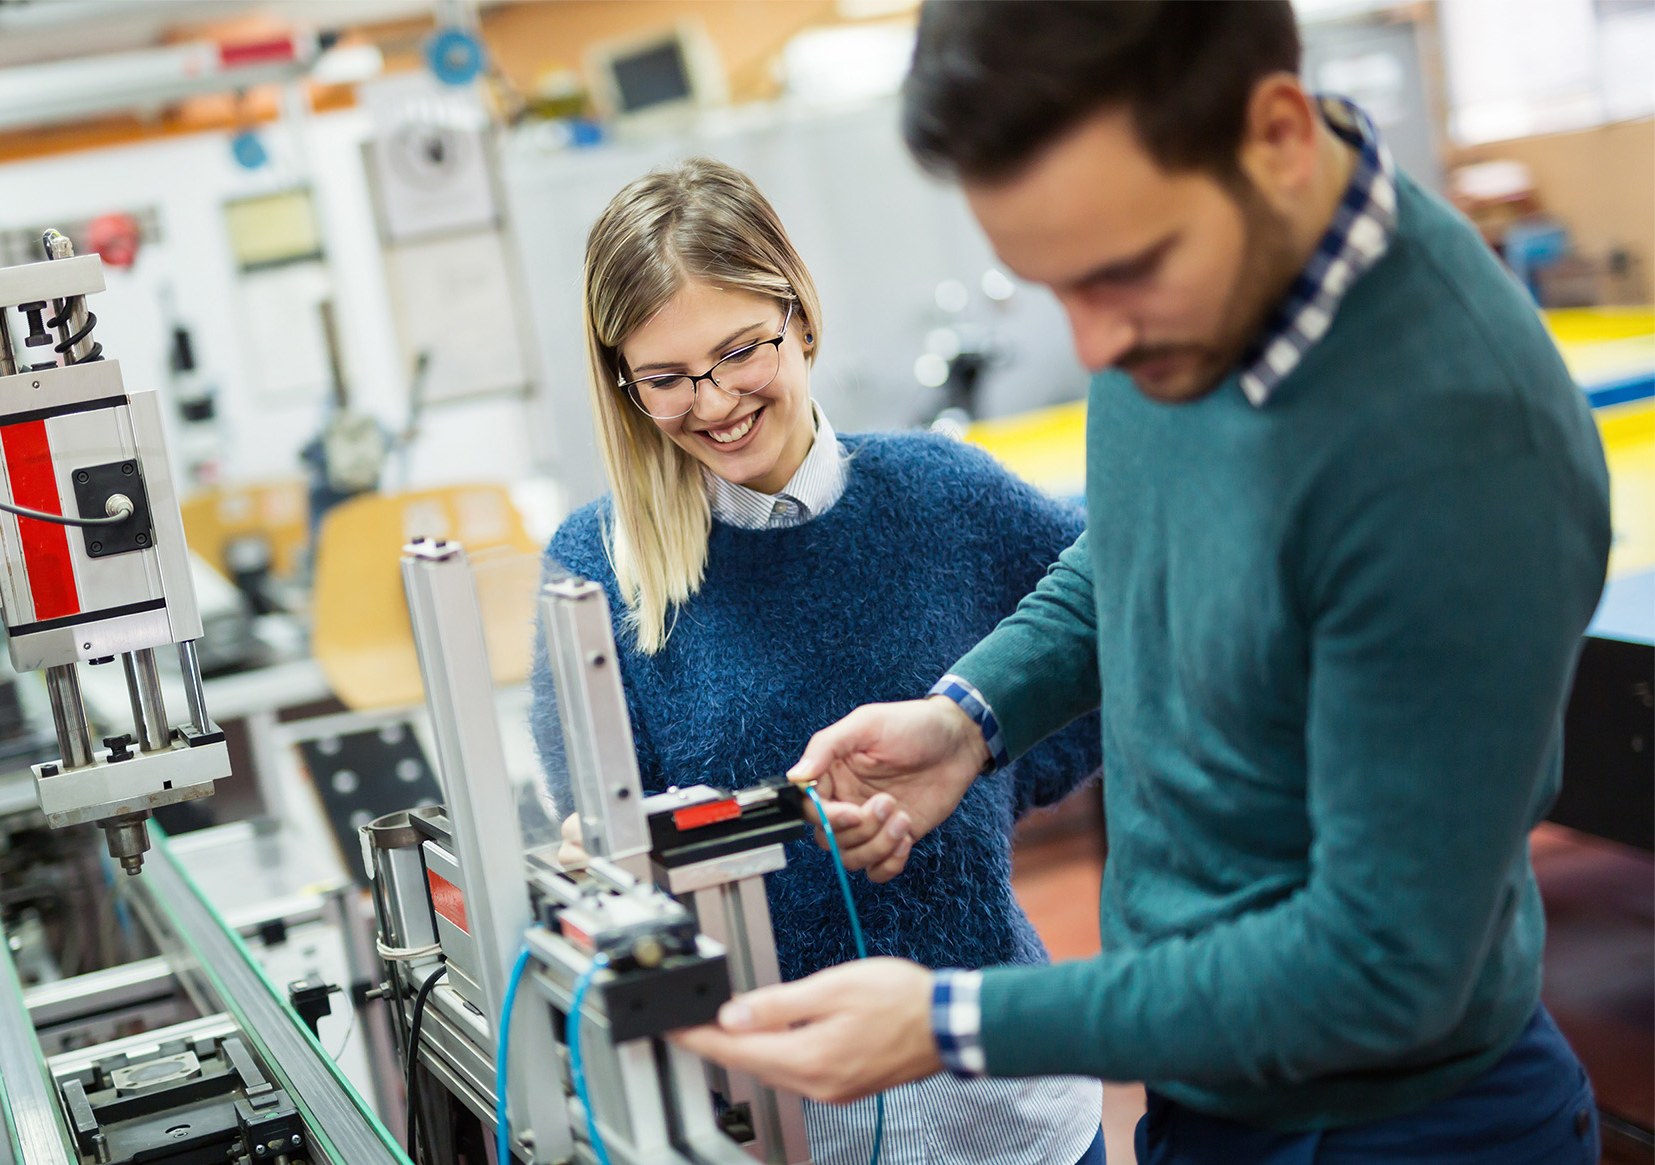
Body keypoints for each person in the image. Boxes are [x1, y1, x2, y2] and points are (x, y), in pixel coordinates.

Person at [676, 5, 1611, 1164]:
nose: (1095, 344)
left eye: (1119, 273)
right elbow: (1130, 548)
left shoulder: (1456, 445)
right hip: (1211, 1098)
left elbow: (1382, 968)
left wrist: (952, 1023)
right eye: (1049, 282)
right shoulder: (1188, 293)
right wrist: (970, 718)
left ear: (1272, 135)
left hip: (1399, 1126)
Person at [528, 158, 1109, 1165]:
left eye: (738, 350)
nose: (712, 402)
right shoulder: (597, 566)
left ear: (797, 312)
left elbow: (1101, 656)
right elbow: (604, 843)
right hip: (781, 1121)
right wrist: (766, 839)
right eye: (664, 379)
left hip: (1009, 1110)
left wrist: (973, 772)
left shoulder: (945, 493)